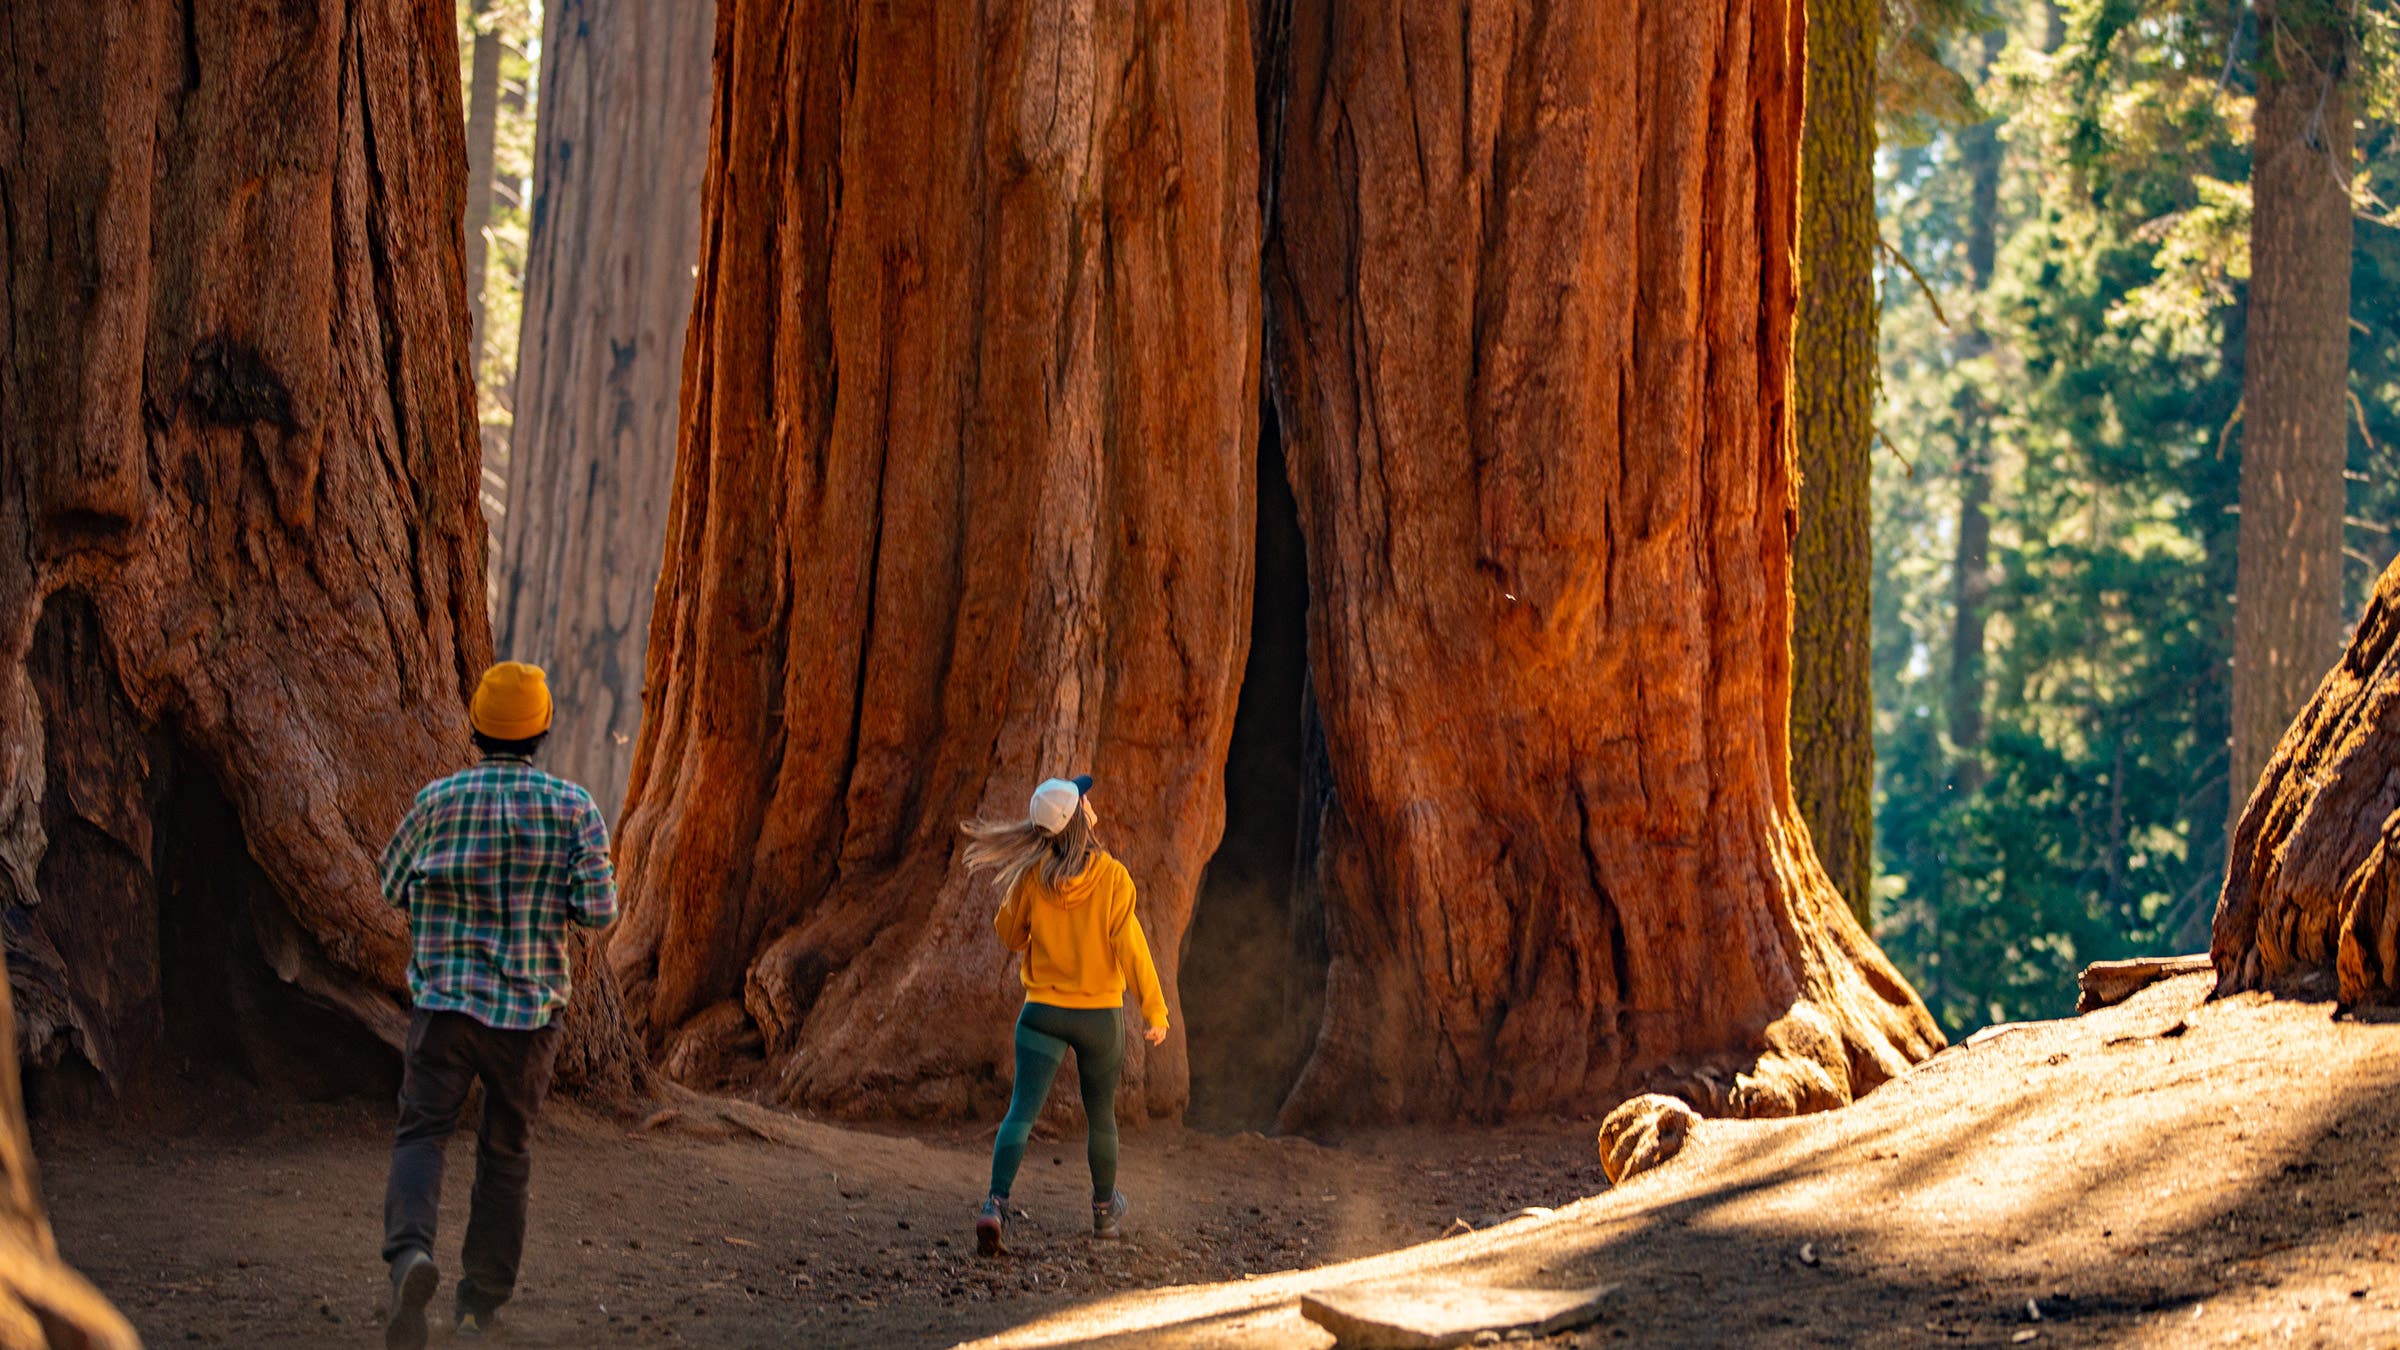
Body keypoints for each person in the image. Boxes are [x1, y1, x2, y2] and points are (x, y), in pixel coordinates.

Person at [375, 662, 616, 1349]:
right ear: (542, 729)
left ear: (476, 727)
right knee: (506, 1152)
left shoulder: (435, 802)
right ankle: (478, 1305)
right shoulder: (573, 807)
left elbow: (391, 884)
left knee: (421, 1133)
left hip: (445, 1009)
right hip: (529, 1016)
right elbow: (599, 909)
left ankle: (410, 1257)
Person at [962, 774, 1169, 1255]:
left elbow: (1010, 936)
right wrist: (1155, 1011)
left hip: (1042, 1013)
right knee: (1101, 1119)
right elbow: (1133, 949)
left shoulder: (1033, 878)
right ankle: (1103, 1214)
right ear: (1081, 821)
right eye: (1085, 803)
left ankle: (995, 1205)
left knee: (1021, 1113)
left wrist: (1024, 888)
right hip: (1098, 1017)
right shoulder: (1114, 877)